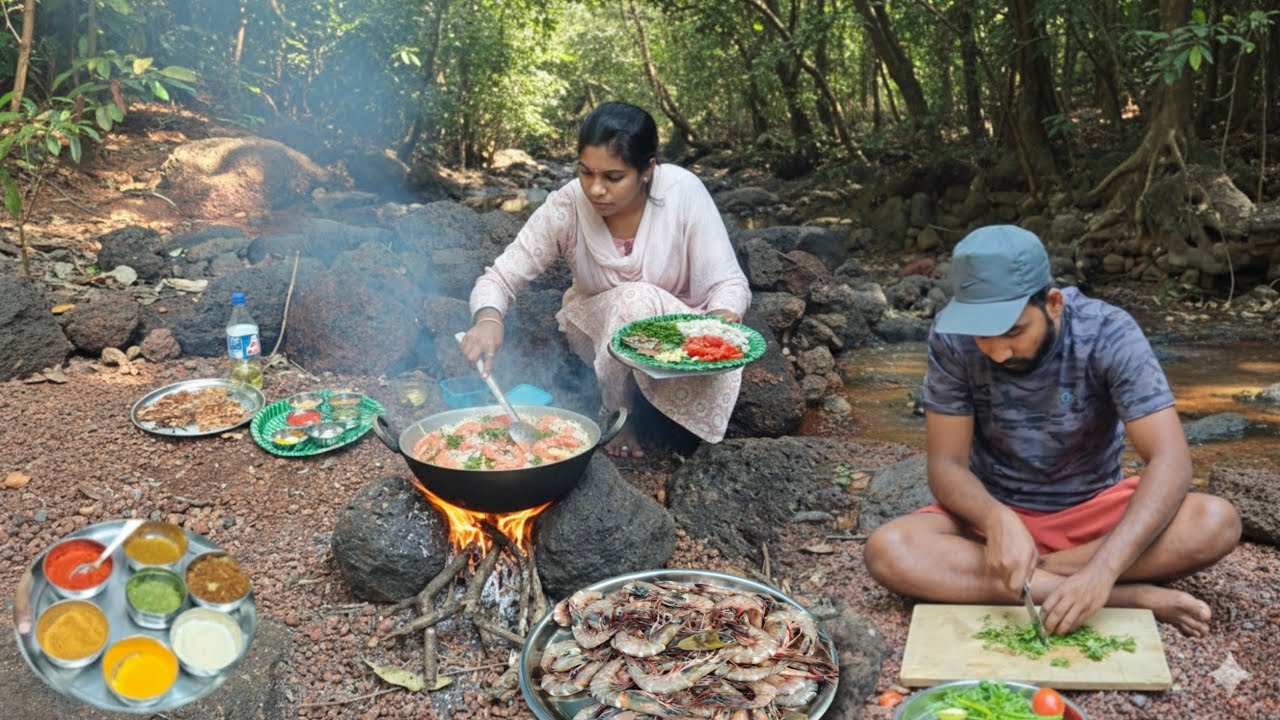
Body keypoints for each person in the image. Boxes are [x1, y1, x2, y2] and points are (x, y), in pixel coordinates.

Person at [863, 225, 1240, 637]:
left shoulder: (1109, 333)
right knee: (888, 550)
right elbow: (946, 464)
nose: (998, 350)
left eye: (1013, 331)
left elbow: (1170, 460)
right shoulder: (951, 340)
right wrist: (997, 521)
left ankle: (1044, 578)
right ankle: (1129, 597)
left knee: (1216, 521)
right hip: (993, 512)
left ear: (1054, 304)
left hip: (1094, 515)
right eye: (981, 335)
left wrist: (1103, 568)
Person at [460, 102, 751, 458]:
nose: (596, 190)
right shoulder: (567, 206)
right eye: (586, 173)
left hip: (677, 338)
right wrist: (489, 318)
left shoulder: (682, 193)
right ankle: (618, 415)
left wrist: (720, 324)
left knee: (642, 301)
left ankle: (674, 415)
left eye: (613, 178)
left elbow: (728, 284)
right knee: (632, 300)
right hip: (597, 327)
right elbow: (501, 276)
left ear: (647, 170)